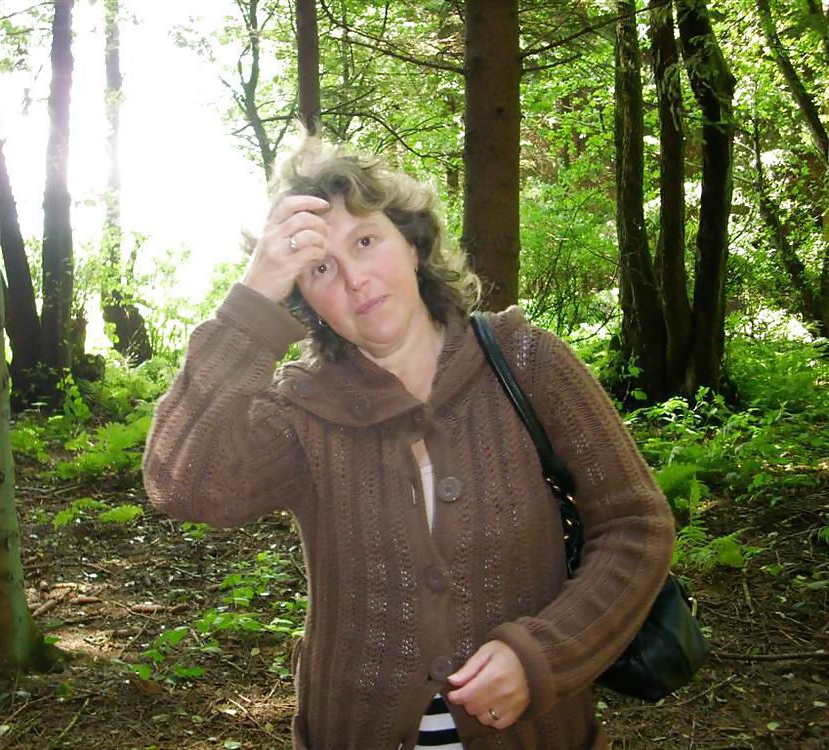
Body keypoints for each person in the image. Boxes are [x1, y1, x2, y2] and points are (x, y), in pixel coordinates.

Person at [142, 139, 675, 750]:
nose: (355, 279)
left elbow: (637, 525)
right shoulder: (300, 411)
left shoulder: (529, 363)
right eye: (320, 270)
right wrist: (253, 299)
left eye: (365, 241)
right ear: (305, 302)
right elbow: (184, 484)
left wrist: (544, 655)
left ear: (413, 244)